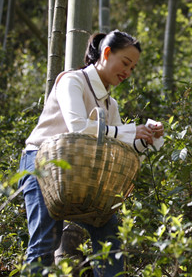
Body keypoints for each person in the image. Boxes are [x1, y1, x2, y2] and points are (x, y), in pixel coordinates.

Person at [18, 30, 164, 276]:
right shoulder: (72, 80)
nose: (127, 72)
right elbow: (78, 127)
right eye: (125, 63)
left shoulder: (111, 104)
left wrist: (146, 138)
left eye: (132, 68)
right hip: (42, 164)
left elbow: (118, 148)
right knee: (45, 242)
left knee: (109, 238)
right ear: (106, 53)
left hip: (79, 176)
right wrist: (130, 130)